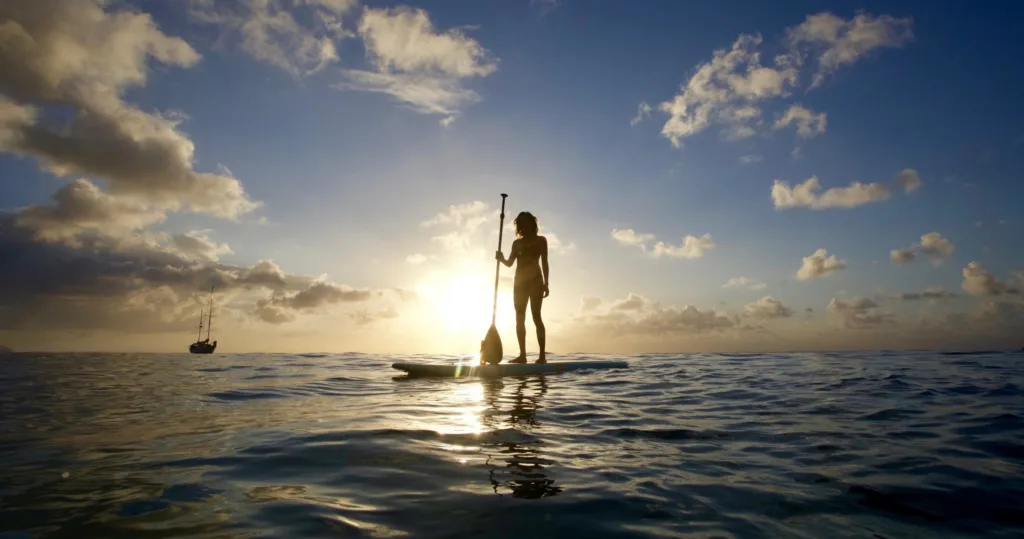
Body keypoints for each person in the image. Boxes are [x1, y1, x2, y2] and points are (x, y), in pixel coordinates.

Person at [496, 211, 549, 364]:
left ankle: (542, 357)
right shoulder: (516, 243)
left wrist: (546, 283)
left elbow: (545, 261)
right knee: (519, 318)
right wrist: (501, 258)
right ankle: (523, 355)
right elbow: (510, 263)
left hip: (535, 281)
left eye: (526, 222)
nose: (523, 225)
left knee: (536, 316)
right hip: (519, 283)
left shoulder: (541, 240)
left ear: (532, 224)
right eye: (521, 222)